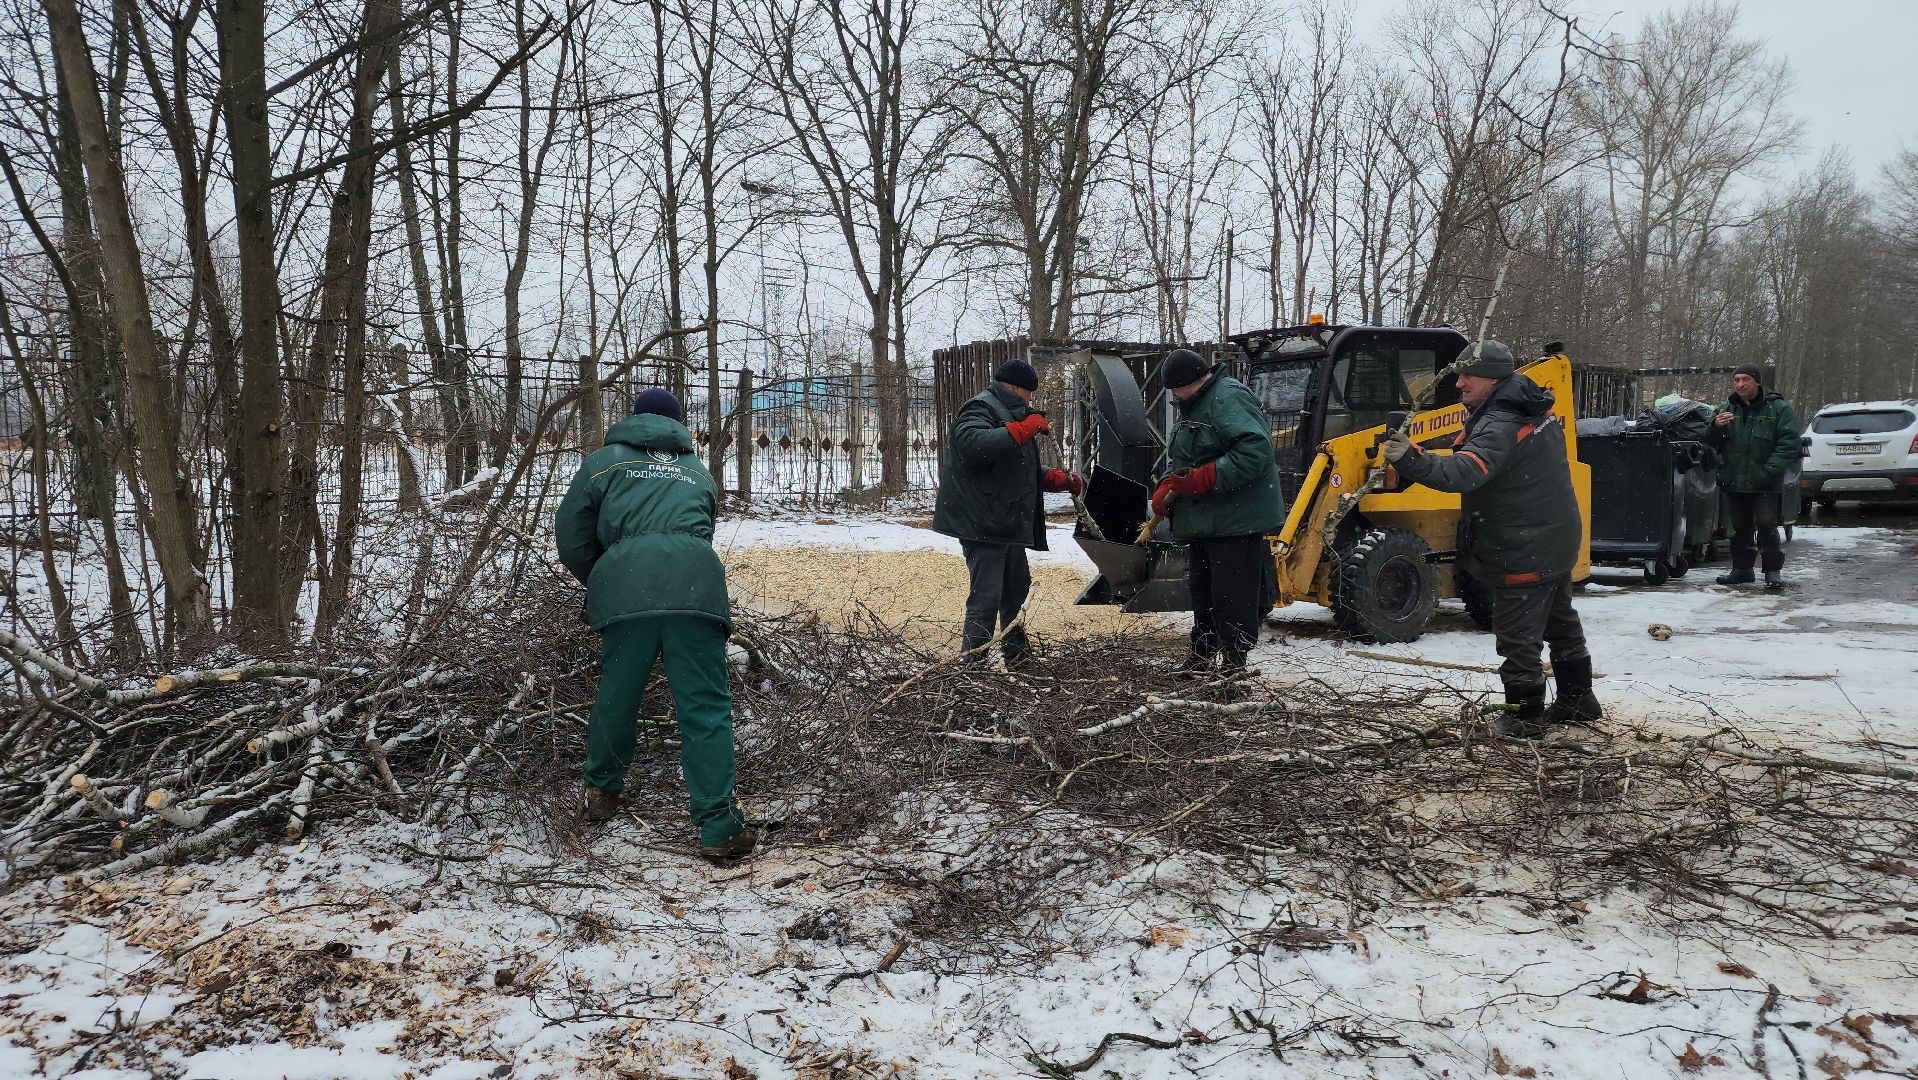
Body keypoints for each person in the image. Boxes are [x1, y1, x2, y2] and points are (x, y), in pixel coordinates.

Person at [555, 387, 755, 863]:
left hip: (627, 590)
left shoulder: (602, 463)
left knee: (618, 694)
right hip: (697, 590)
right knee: (705, 707)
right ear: (679, 423)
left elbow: (570, 533)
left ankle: (602, 793)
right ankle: (719, 825)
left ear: (634, 418)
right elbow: (701, 529)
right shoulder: (697, 470)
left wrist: (608, 577)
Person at [1382, 340, 1599, 739]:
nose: (1459, 382)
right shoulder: (1529, 405)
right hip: (1553, 535)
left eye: (1467, 375)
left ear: (1493, 377)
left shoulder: (1501, 421)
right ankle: (1578, 698)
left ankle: (1523, 714)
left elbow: (1466, 472)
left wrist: (1409, 458)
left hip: (1523, 543)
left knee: (1517, 634)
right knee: (1559, 620)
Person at [932, 358, 1083, 667]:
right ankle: (971, 668)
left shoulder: (1010, 413)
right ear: (1015, 388)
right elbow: (973, 445)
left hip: (1005, 520)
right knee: (986, 598)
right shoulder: (980, 408)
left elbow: (1012, 466)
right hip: (983, 522)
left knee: (1016, 593)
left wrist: (1050, 478)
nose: (1031, 400)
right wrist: (1023, 429)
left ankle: (1018, 659)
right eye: (1029, 393)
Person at [1149, 347, 1286, 677]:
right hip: (1206, 520)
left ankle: (1235, 667)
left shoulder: (1228, 398)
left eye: (1175, 389)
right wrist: (1169, 486)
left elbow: (1256, 452)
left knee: (1232, 597)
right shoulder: (1197, 405)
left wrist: (1207, 477)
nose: (1174, 397)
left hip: (1235, 521)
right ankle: (1202, 658)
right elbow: (1188, 459)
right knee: (1204, 592)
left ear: (1190, 382)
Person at [1704, 364, 1800, 590]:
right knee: (1740, 526)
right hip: (1734, 479)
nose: (1740, 384)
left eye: (1745, 379)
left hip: (1765, 480)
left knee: (1767, 524)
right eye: (1736, 380)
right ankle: (1742, 570)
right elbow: (1709, 443)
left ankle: (1772, 571)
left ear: (1757, 382)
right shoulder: (1725, 409)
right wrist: (1717, 427)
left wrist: (1769, 470)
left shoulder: (1778, 408)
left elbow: (1789, 444)